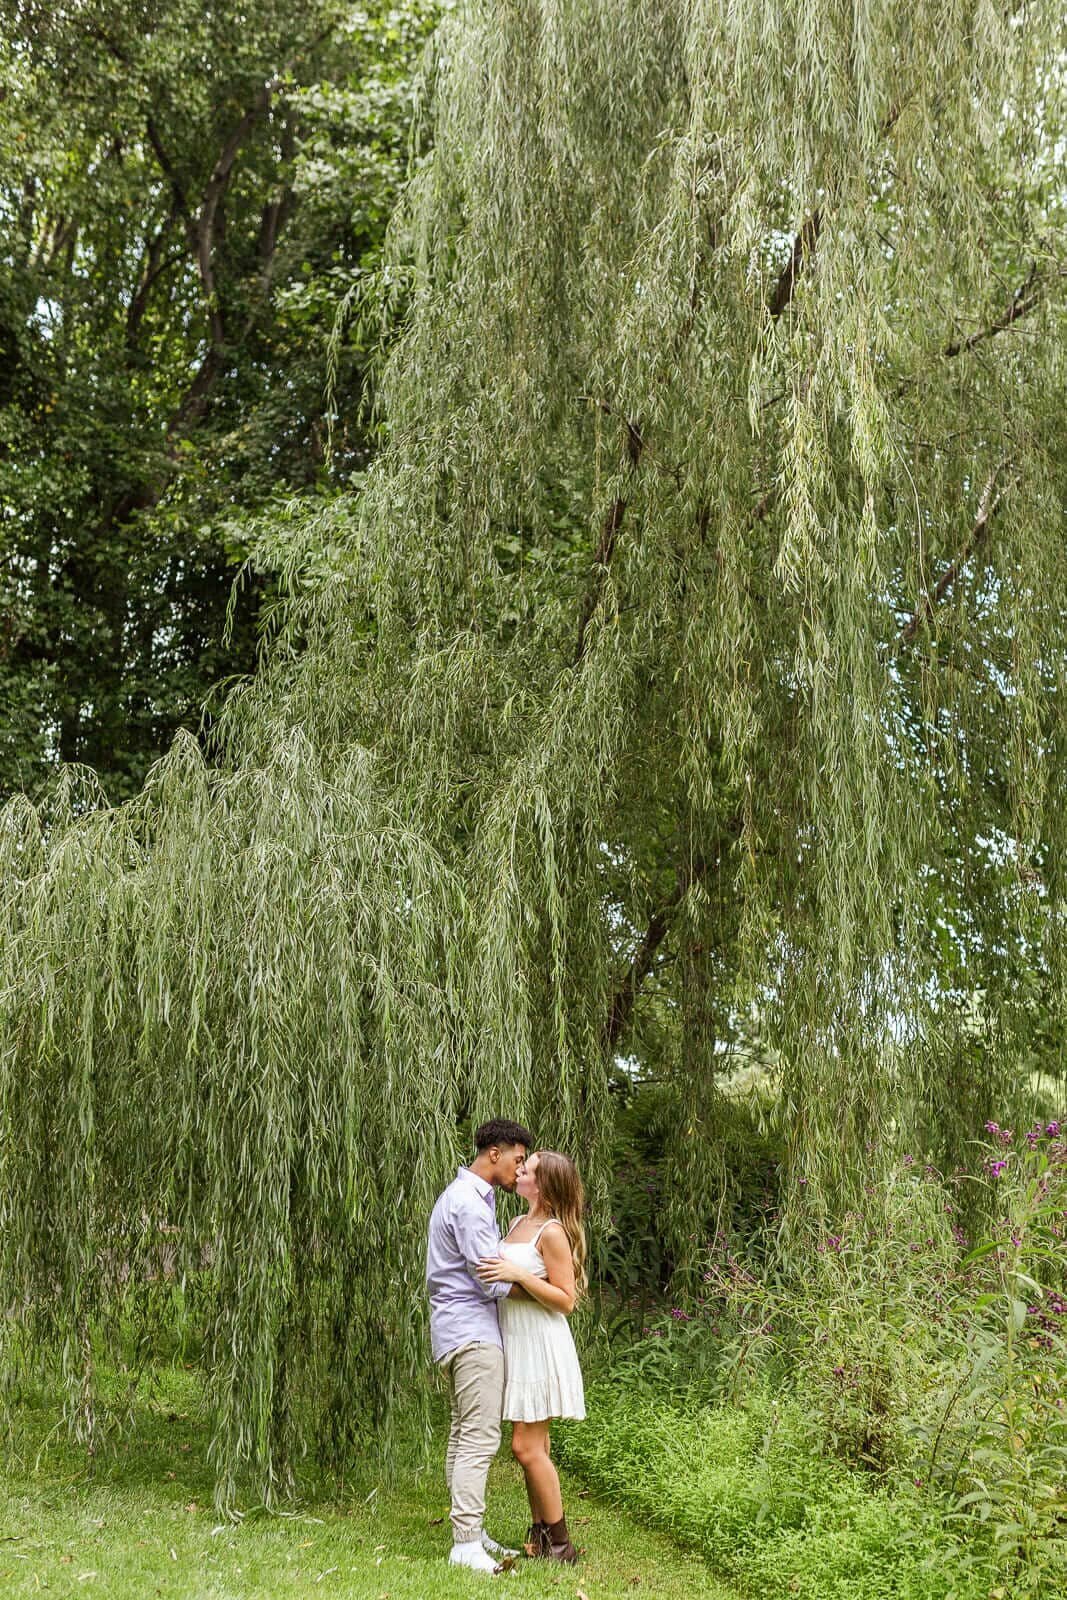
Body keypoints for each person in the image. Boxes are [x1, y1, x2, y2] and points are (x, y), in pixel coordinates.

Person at [425, 1118, 533, 1574]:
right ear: (495, 1154)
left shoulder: (463, 1197)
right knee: (479, 1437)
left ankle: (469, 1532)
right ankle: (465, 1542)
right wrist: (542, 1290)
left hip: (454, 1331)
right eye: (518, 1159)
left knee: (461, 1431)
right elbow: (491, 1280)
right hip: (472, 1334)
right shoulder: (469, 1204)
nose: (520, 1170)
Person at [476, 1149, 587, 1565]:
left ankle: (561, 1545)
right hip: (517, 1339)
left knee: (526, 1447)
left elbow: (565, 1300)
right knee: (532, 1447)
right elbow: (516, 1290)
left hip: (541, 1344)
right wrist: (509, 1280)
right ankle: (541, 1535)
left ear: (542, 1184)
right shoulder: (518, 1222)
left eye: (528, 1167)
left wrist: (518, 1274)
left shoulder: (552, 1232)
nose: (519, 1170)